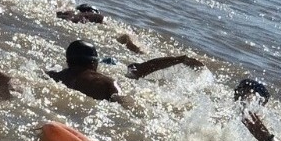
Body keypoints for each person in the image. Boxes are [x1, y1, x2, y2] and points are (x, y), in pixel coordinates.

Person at [47, 39, 204, 102]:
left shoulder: (55, 76)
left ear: (68, 61)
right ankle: (181, 58)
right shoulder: (108, 82)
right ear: (94, 63)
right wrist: (180, 59)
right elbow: (145, 68)